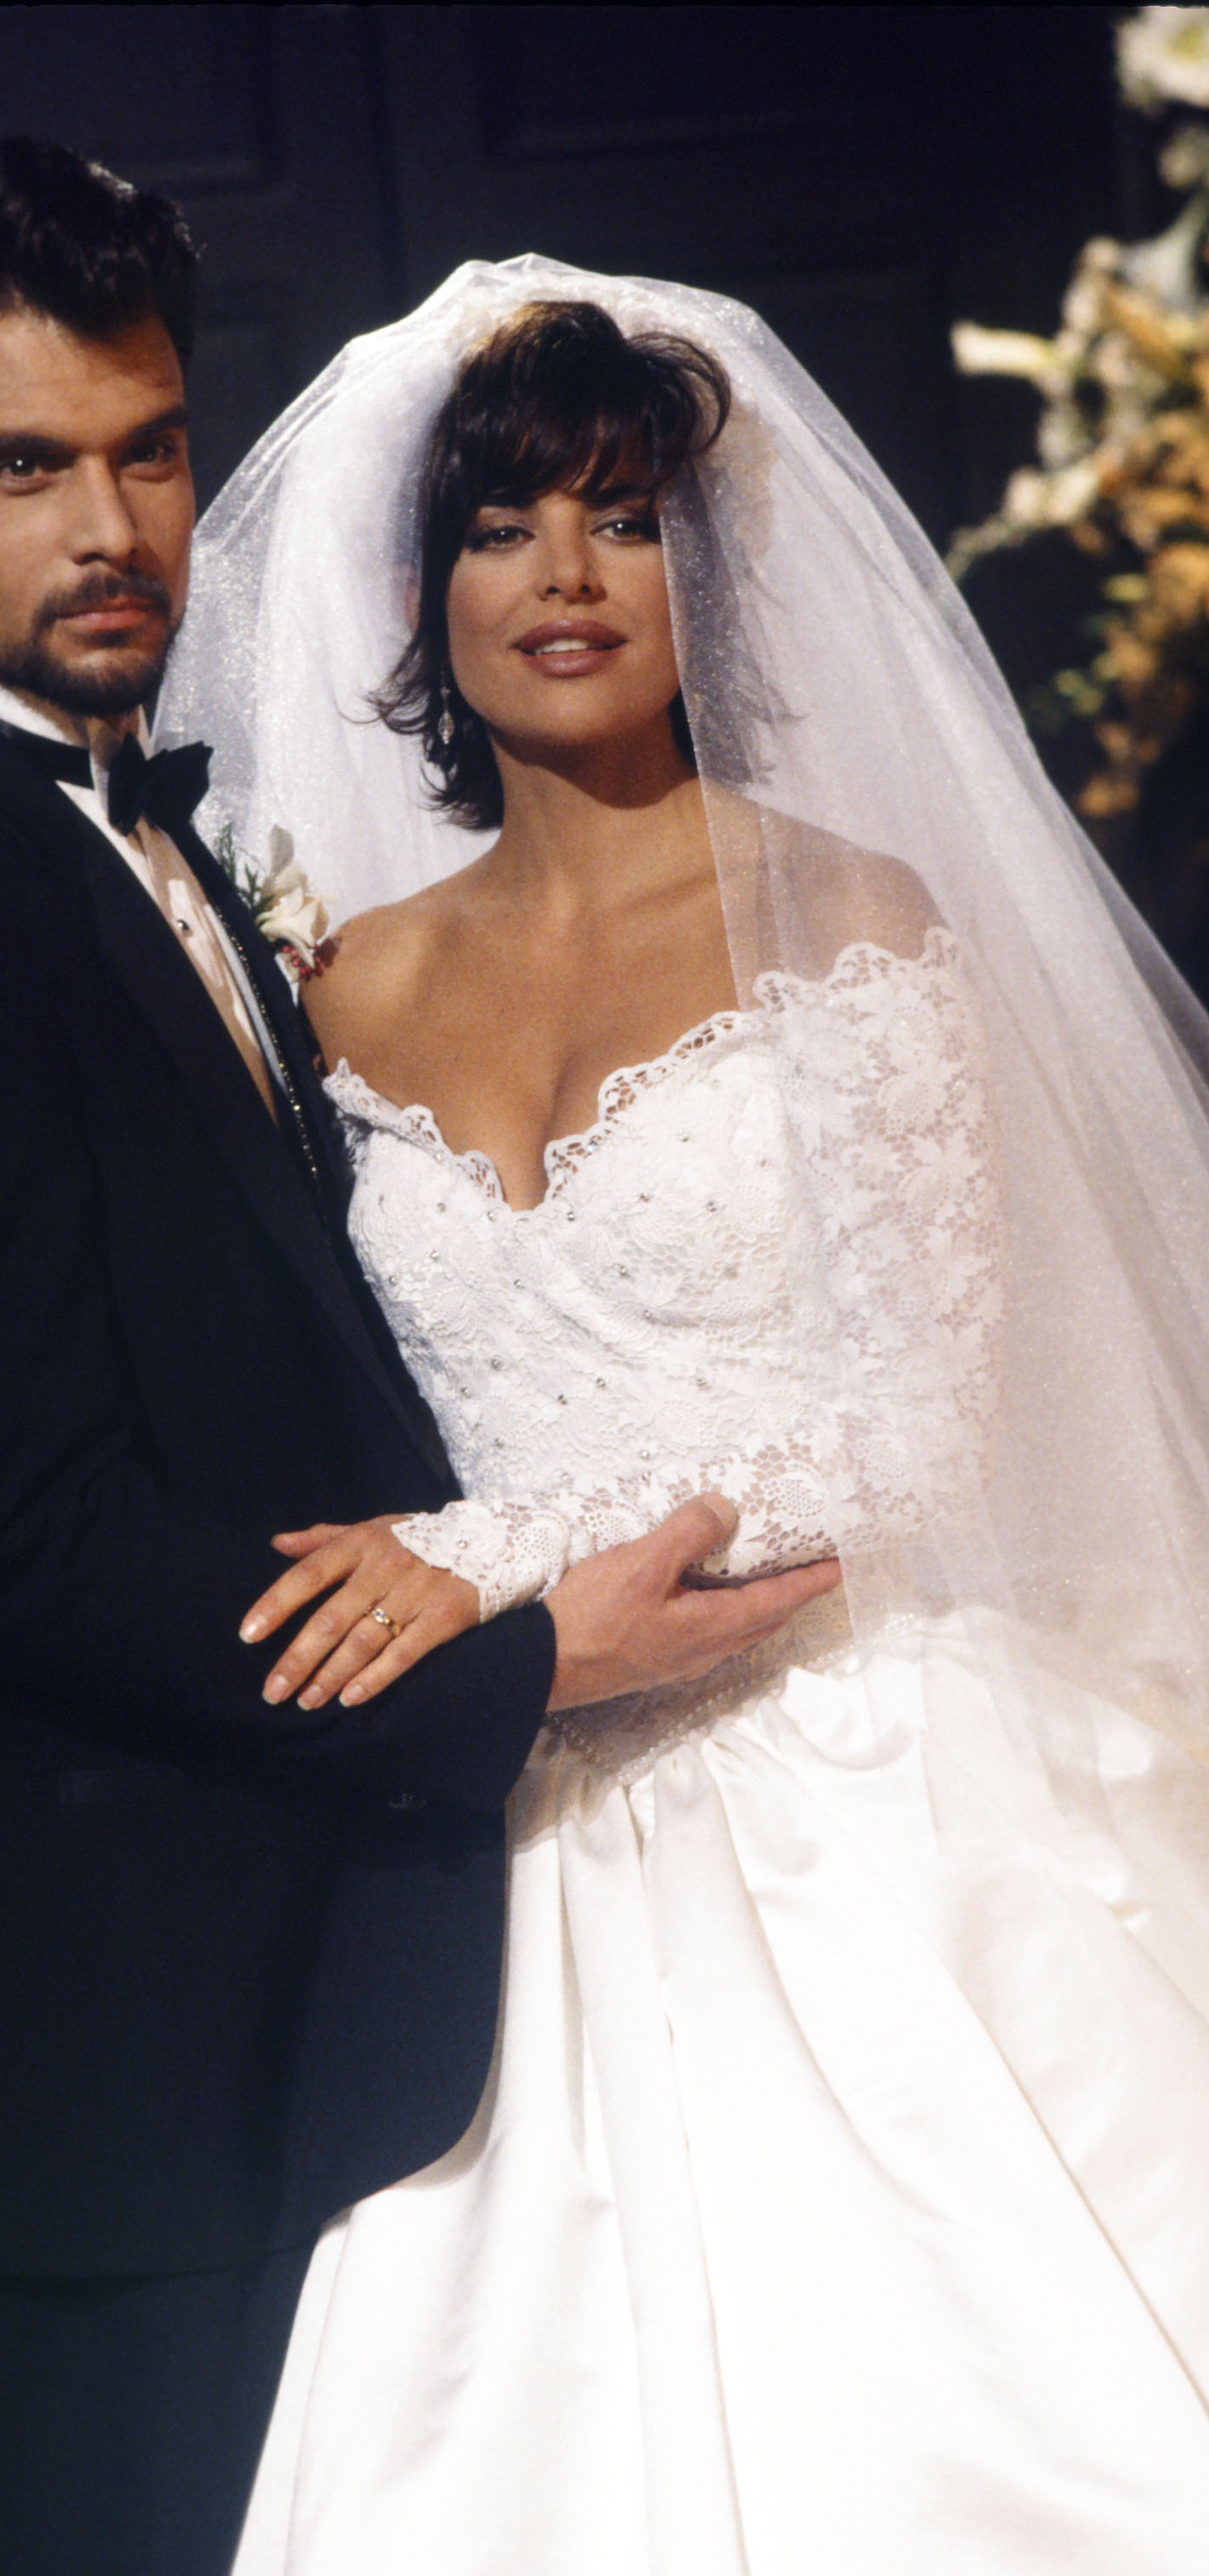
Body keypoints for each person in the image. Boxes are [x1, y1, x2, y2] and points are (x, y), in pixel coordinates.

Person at [0, 155, 833, 2576]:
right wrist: (526, 1651)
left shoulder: (152, 852)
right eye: (26, 467)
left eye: (145, 453)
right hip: (77, 2064)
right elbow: (23, 1545)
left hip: (272, 2016)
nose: (109, 528)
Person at [156, 267, 1209, 2570]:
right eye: (501, 523)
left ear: (695, 575)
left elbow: (918, 1426)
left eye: (621, 518)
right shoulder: (339, 985)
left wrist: (484, 1559)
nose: (562, 573)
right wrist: (467, 1604)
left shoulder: (846, 911)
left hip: (851, 1778)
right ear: (419, 596)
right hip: (506, 1826)